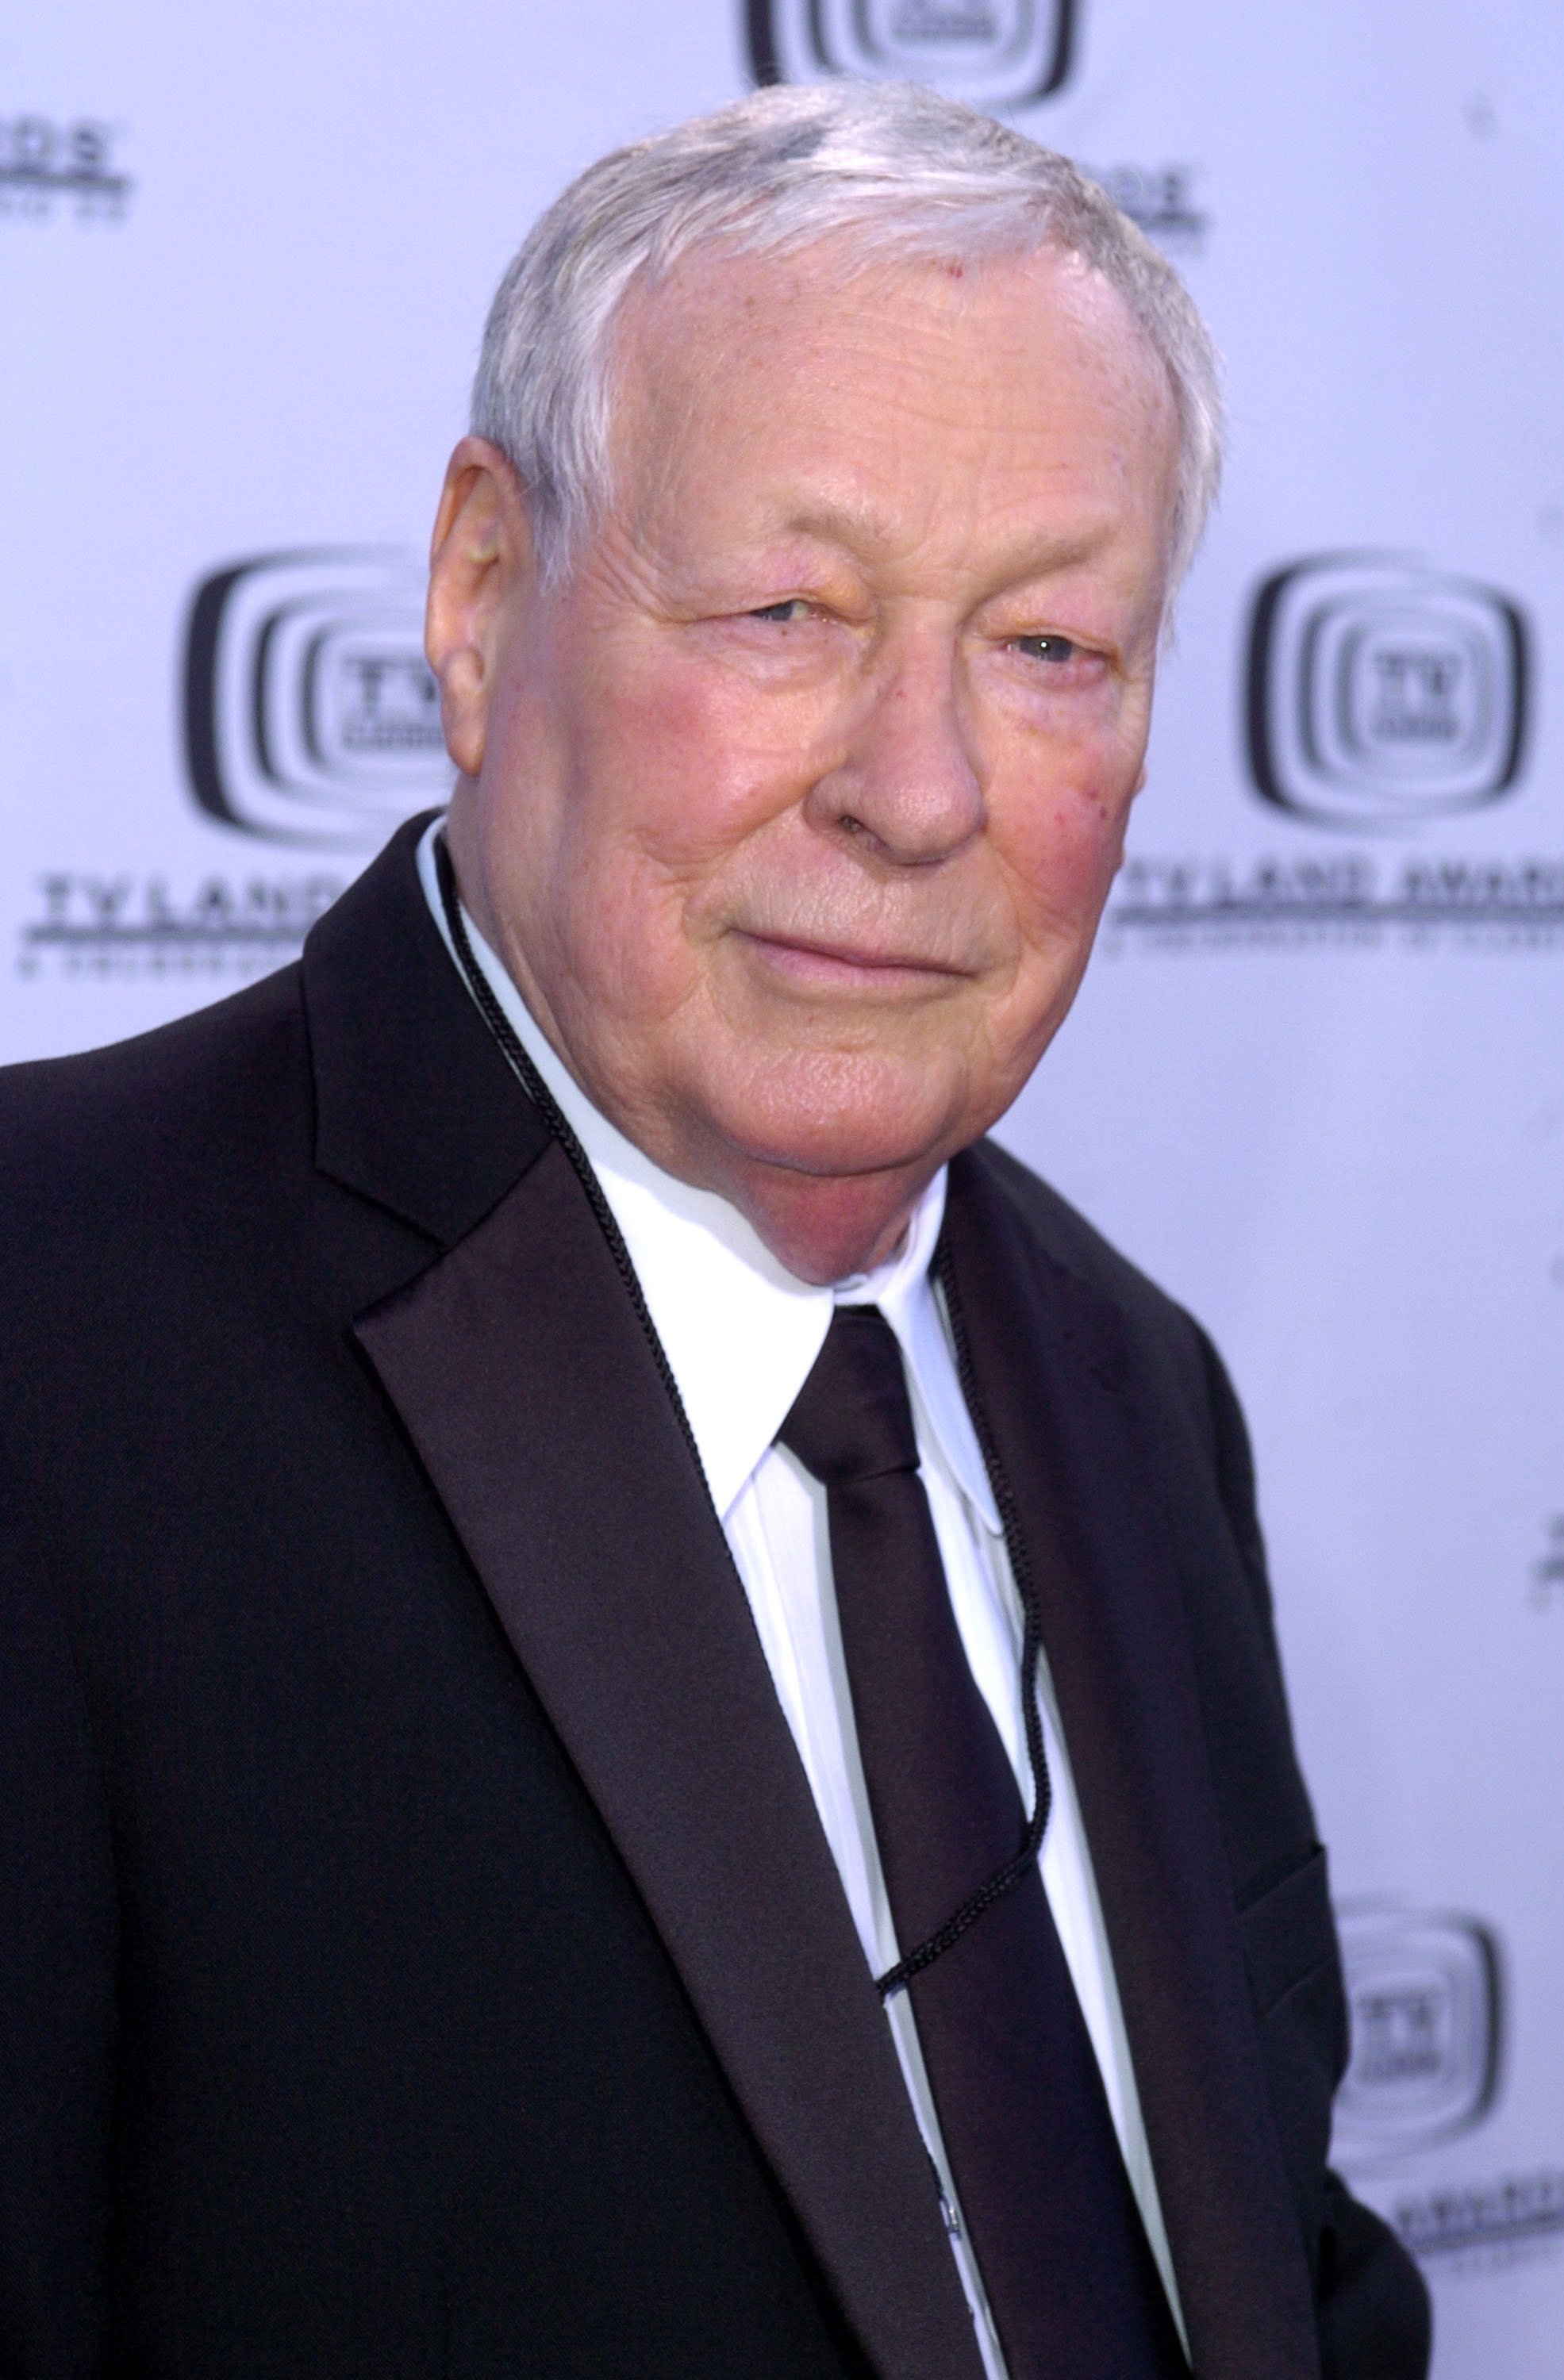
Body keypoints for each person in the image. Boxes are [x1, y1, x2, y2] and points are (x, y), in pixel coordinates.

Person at [0, 81, 1429, 2380]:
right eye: (786, 609)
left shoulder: (1133, 1388)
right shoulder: (48, 1343)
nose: (918, 787)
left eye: (1050, 647)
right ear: (481, 601)